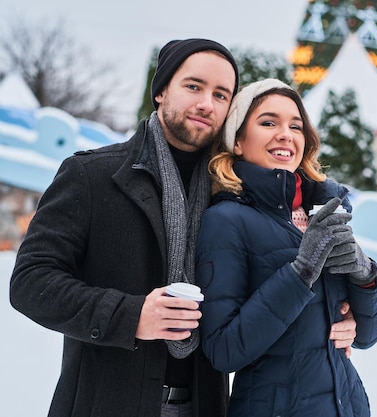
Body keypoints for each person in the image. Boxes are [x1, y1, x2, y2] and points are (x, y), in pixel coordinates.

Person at [9, 40, 357, 417]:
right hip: (108, 401)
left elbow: (270, 284)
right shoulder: (91, 176)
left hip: (204, 402)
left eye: (221, 95)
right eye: (194, 86)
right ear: (161, 91)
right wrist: (130, 315)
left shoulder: (234, 192)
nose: (207, 103)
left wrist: (337, 316)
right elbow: (30, 281)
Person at [196, 79, 377, 417]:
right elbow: (224, 349)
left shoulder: (325, 210)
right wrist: (300, 272)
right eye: (268, 122)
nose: (286, 134)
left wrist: (365, 275)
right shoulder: (226, 220)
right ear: (238, 141)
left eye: (296, 126)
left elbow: (368, 335)